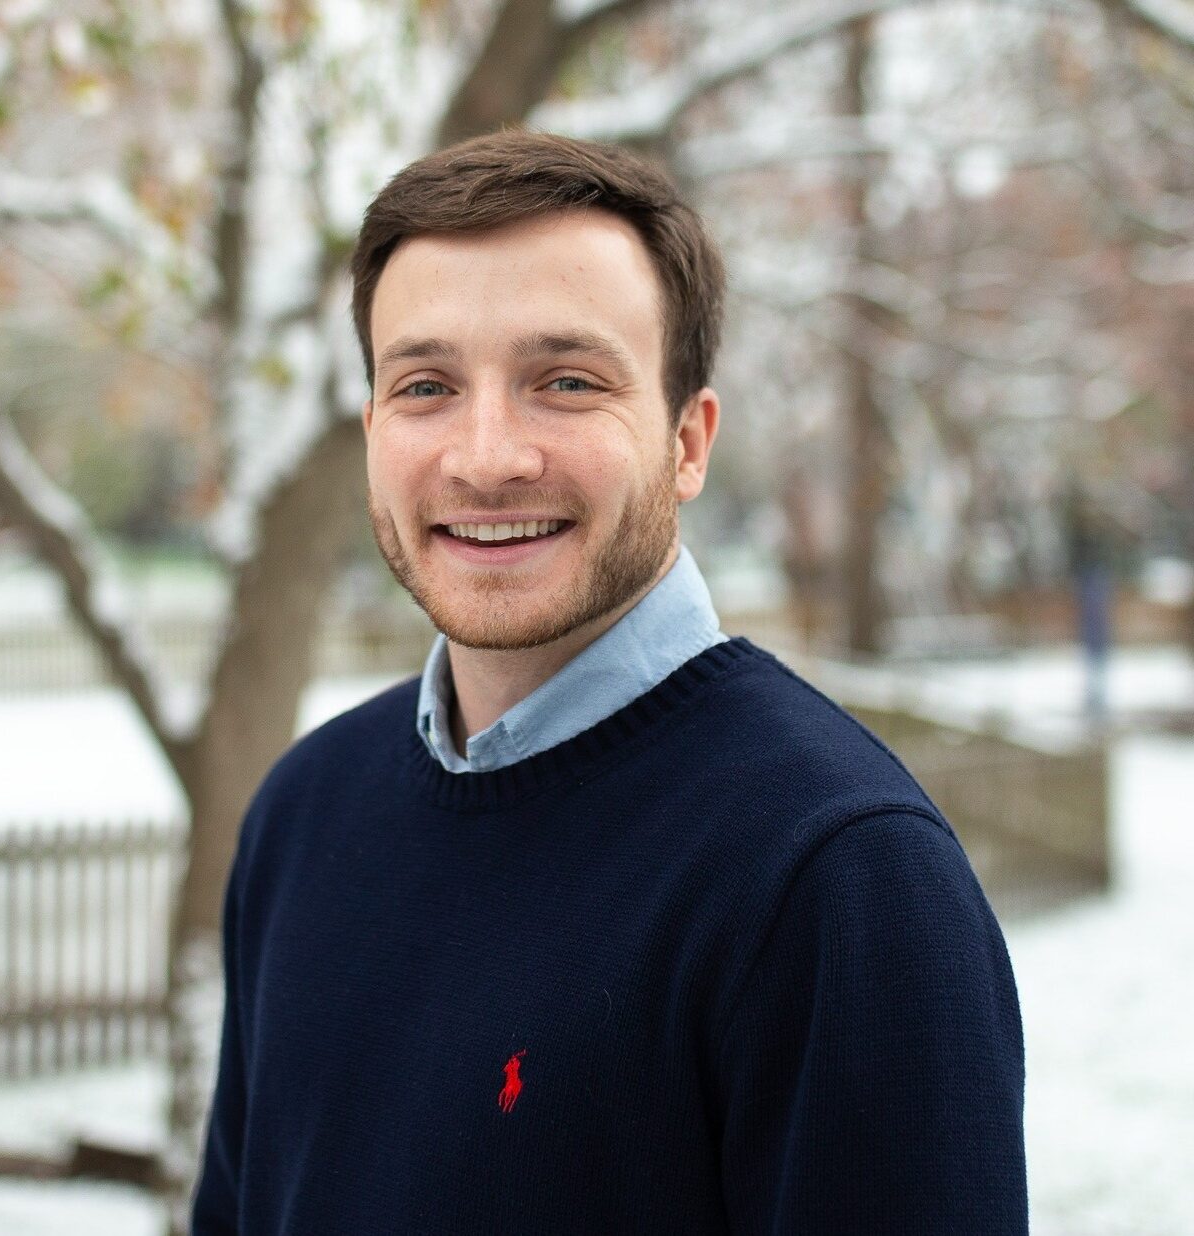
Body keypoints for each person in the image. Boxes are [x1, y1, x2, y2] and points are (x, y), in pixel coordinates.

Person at [191, 131, 1027, 1234]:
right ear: (371, 431)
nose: (485, 457)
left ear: (687, 440)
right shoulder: (304, 811)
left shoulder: (838, 875)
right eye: (426, 385)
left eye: (566, 382)